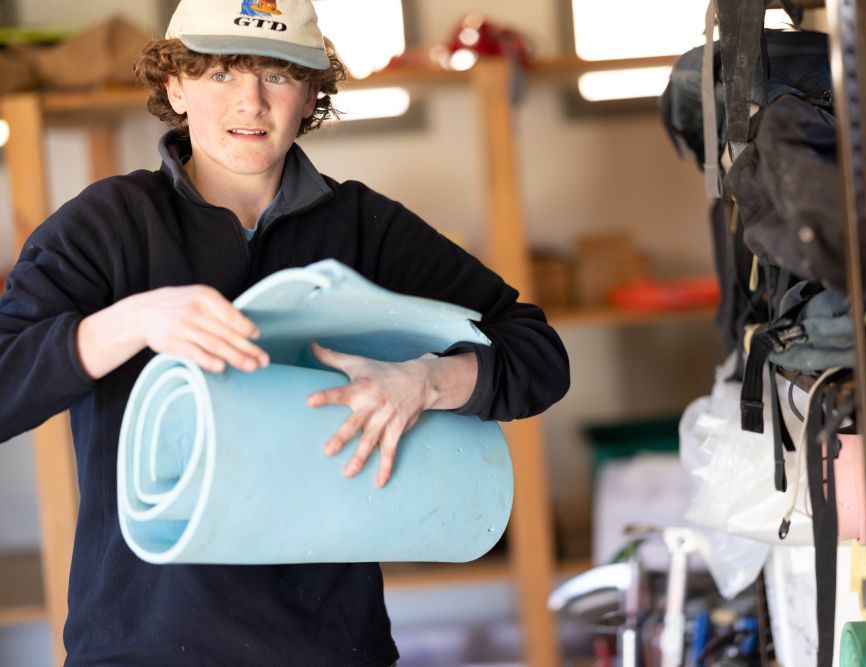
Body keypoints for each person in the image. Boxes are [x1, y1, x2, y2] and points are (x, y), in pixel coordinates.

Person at [0, 0, 570, 664]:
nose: (251, 102)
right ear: (175, 86)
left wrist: (426, 381)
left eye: (277, 74)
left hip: (329, 646)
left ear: (310, 94)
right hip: (141, 644)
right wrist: (129, 321)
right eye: (220, 74)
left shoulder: (364, 227)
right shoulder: (108, 226)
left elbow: (537, 351)